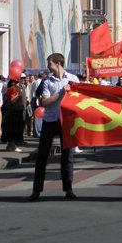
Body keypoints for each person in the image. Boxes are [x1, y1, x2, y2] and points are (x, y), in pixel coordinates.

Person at [29, 53, 79, 201]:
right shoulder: (47, 81)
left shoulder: (73, 79)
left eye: (49, 63)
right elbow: (45, 102)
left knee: (67, 157)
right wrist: (62, 92)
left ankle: (68, 189)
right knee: (42, 156)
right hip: (50, 120)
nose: (48, 66)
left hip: (66, 121)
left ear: (58, 63)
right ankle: (36, 190)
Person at [1, 78, 26, 152]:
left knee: (13, 129)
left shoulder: (14, 89)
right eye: (17, 82)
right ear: (13, 83)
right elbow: (12, 100)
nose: (19, 83)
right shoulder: (12, 89)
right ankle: (13, 146)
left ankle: (10, 146)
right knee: (13, 129)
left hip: (16, 111)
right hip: (13, 112)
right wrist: (19, 94)